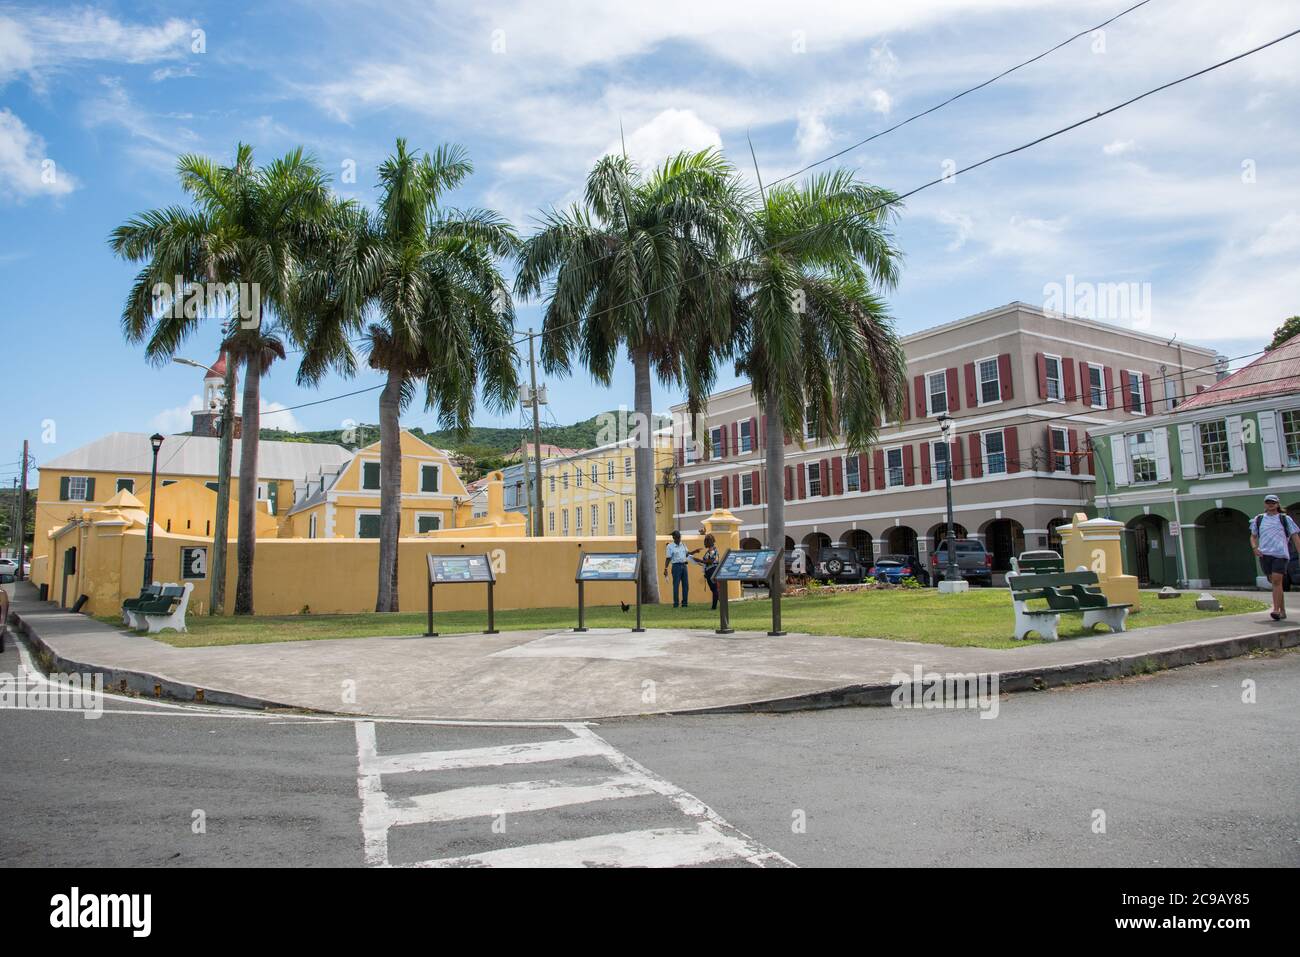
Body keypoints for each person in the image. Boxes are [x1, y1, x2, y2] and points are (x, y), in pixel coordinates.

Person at [1250, 493, 1300, 621]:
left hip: (1280, 554)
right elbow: (1253, 536)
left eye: (1273, 502)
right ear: (1265, 504)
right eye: (1268, 502)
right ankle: (1282, 611)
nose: (1270, 504)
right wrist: (1255, 548)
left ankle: (1276, 610)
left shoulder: (1284, 519)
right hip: (1265, 554)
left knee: (1277, 581)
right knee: (1275, 583)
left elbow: (1295, 536)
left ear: (1278, 504)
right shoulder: (1259, 519)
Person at [663, 530, 692, 608]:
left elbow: (687, 554)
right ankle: (676, 603)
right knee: (676, 585)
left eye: (680, 537)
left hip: (684, 566)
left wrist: (694, 552)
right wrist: (665, 568)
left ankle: (685, 603)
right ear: (674, 538)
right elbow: (668, 558)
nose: (679, 539)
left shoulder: (683, 545)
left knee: (686, 585)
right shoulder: (670, 546)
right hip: (676, 567)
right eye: (678, 537)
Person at [699, 533, 721, 610]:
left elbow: (711, 561)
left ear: (709, 542)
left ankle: (714, 607)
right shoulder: (709, 551)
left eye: (705, 541)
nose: (704, 543)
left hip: (712, 571)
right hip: (709, 571)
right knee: (714, 589)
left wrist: (699, 560)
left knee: (715, 589)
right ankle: (721, 604)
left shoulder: (712, 551)